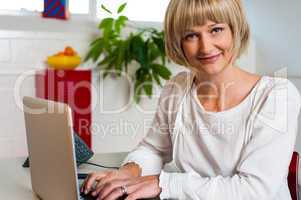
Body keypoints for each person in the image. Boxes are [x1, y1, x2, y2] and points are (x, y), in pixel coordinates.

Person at [81, 0, 301, 199]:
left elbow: (254, 190)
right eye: (191, 35)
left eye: (216, 29)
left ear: (235, 30)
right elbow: (154, 149)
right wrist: (129, 171)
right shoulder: (178, 88)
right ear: (179, 43)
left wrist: (164, 184)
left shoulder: (277, 95)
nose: (205, 46)